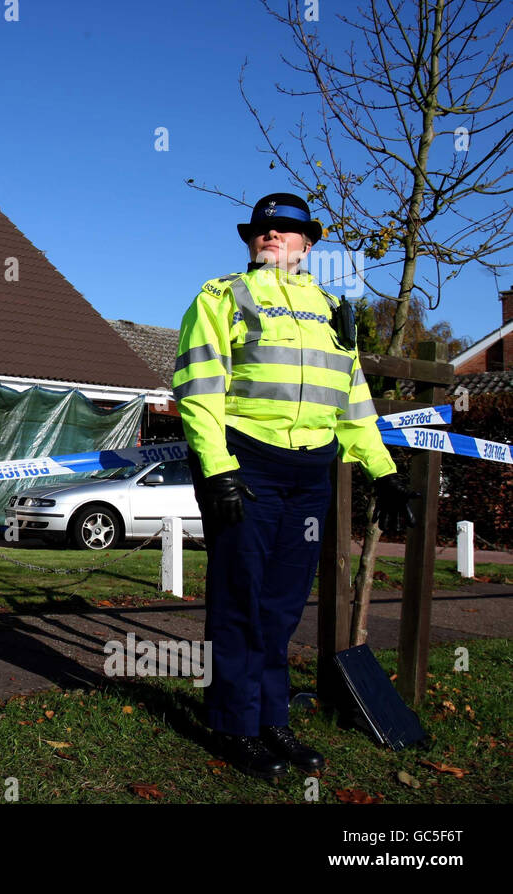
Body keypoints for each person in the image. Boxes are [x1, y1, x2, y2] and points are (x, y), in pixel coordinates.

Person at [172, 192, 419, 780]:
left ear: (309, 245)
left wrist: (382, 471)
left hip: (310, 473)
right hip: (246, 466)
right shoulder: (220, 296)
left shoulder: (335, 308)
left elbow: (352, 399)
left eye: (285, 229)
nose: (271, 235)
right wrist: (219, 469)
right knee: (240, 601)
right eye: (262, 229)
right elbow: (199, 391)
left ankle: (271, 718)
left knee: (282, 605)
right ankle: (234, 724)